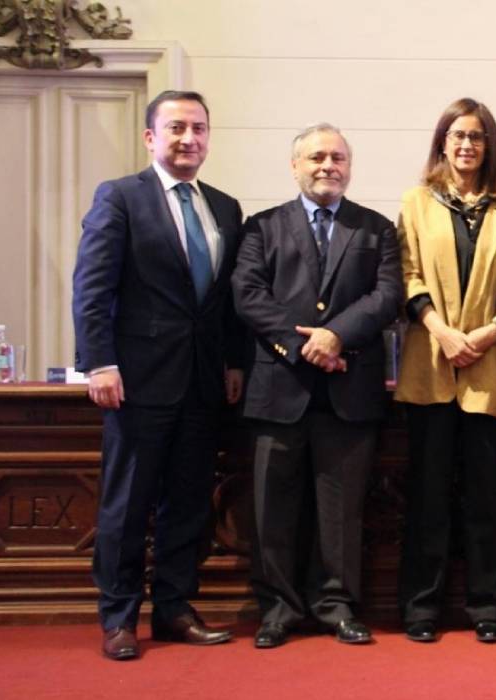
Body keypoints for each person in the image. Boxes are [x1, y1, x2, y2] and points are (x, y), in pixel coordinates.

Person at [72, 90, 244, 660]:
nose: (187, 138)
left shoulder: (224, 207)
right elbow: (92, 288)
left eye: (198, 128)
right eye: (175, 128)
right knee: (128, 503)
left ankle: (174, 607)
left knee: (189, 503)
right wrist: (99, 361)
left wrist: (233, 364)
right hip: (137, 382)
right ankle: (119, 616)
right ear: (151, 137)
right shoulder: (121, 197)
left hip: (201, 384)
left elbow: (224, 303)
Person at [232, 123, 402, 648]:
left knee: (341, 510)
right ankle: (278, 609)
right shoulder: (262, 226)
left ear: (349, 167)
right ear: (295, 165)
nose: (328, 166)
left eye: (338, 158)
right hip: (278, 389)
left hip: (349, 392)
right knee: (273, 509)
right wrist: (303, 343)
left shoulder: (376, 228)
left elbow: (387, 294)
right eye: (316, 157)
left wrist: (335, 336)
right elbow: (248, 293)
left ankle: (336, 605)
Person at [394, 98, 496, 644]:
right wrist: (443, 331)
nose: (467, 144)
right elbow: (406, 274)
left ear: (489, 145)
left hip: (489, 367)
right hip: (431, 364)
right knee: (427, 495)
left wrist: (491, 330)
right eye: (457, 135)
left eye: (477, 136)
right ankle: (421, 608)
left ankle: (486, 605)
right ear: (442, 142)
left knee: (483, 496)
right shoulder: (416, 202)